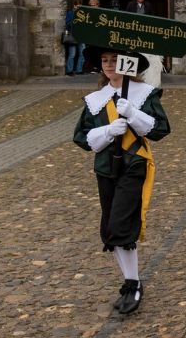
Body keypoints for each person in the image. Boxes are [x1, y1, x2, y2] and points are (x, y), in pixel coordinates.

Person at [72, 46, 170, 316]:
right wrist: (107, 130)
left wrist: (133, 114)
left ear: (127, 63)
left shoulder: (143, 94)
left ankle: (133, 284)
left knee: (120, 224)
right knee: (110, 229)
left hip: (134, 163)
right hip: (106, 167)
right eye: (104, 60)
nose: (108, 64)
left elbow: (161, 129)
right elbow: (81, 137)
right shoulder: (96, 100)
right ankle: (131, 282)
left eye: (114, 59)